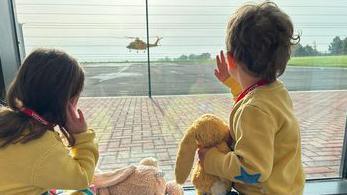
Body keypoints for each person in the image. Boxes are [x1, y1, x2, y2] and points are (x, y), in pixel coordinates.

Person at [198, 2, 305, 194]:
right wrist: (232, 83)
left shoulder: (255, 110)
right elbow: (253, 100)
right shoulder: (276, 91)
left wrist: (211, 160)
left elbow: (252, 170)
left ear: (231, 60)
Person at [0, 48, 98, 195]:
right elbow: (82, 177)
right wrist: (81, 136)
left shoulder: (4, 117)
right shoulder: (41, 145)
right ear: (66, 101)